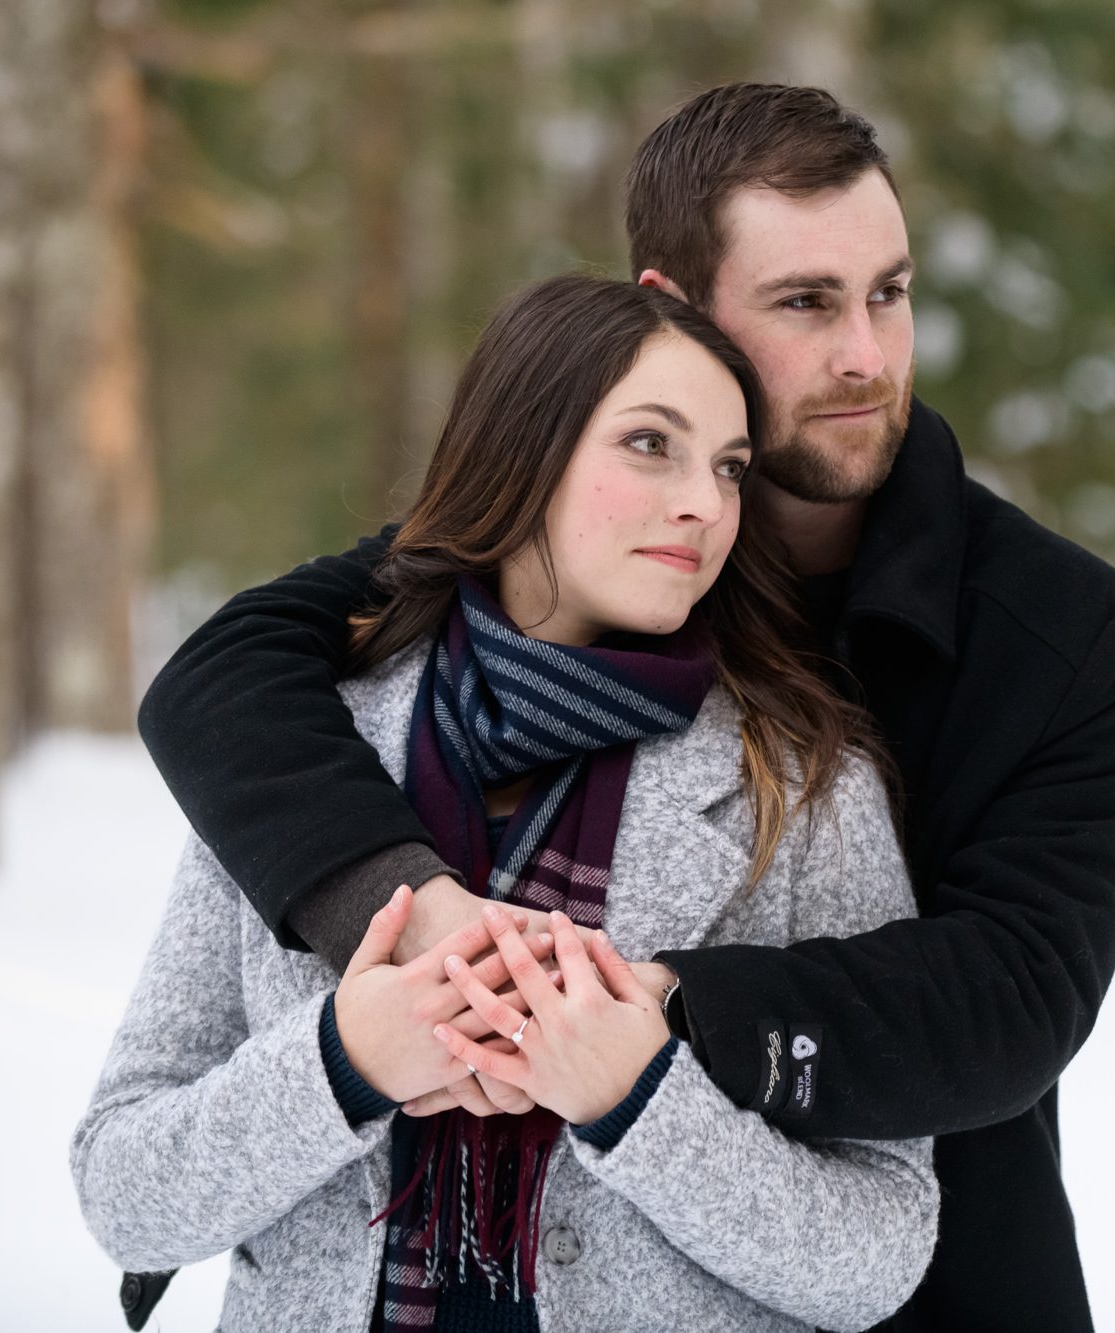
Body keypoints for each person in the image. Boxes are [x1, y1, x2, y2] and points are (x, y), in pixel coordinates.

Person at [136, 83, 1115, 1331]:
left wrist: (638, 1019)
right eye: (805, 302)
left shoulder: (1060, 636)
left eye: (888, 293)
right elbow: (225, 673)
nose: (866, 356)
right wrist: (411, 928)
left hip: (941, 1284)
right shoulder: (528, 570)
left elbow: (1013, 999)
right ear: (668, 306)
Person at [73, 275, 937, 1332]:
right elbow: (122, 1192)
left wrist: (637, 1100)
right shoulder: (299, 750)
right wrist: (345, 1061)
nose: (704, 504)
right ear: (523, 450)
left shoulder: (798, 788)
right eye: (650, 444)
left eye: (728, 468)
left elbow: (879, 1251)